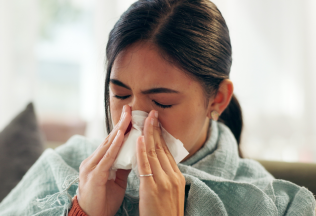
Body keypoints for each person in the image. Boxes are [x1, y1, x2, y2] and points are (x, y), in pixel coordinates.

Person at [0, 0, 315, 215]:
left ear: (217, 99)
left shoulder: (279, 205)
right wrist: (82, 210)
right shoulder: (65, 166)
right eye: (120, 94)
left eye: (162, 101)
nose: (132, 119)